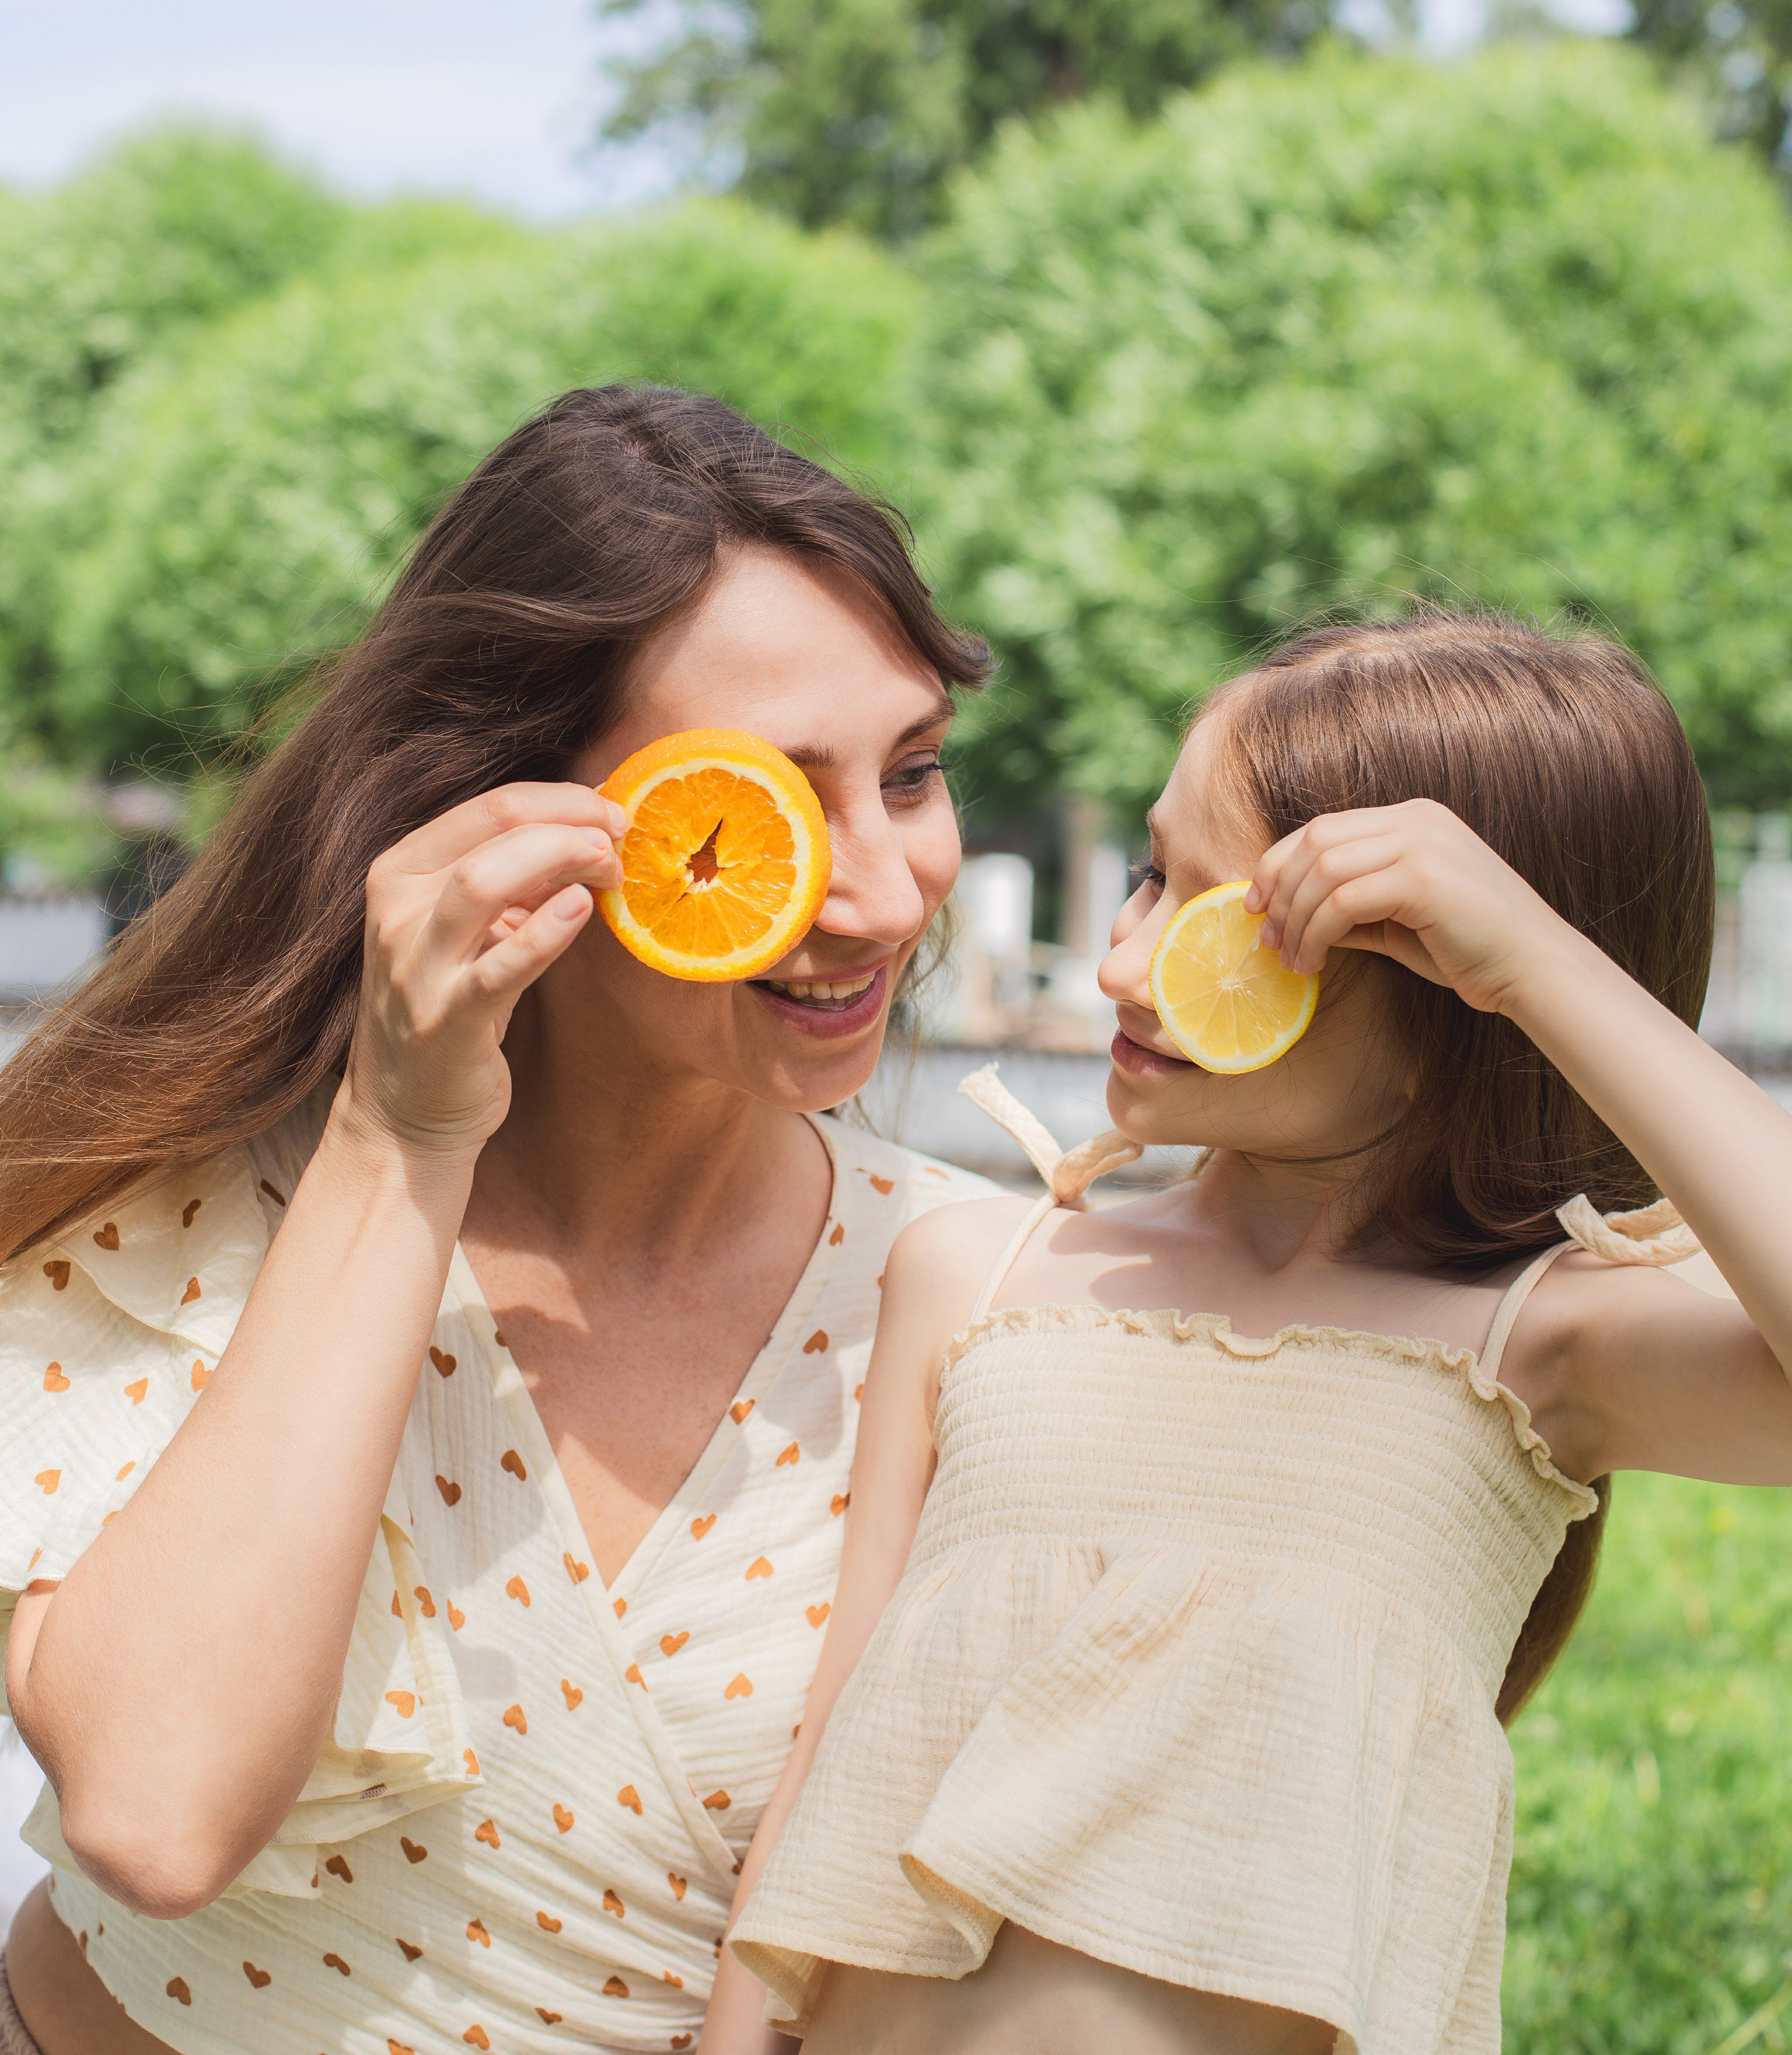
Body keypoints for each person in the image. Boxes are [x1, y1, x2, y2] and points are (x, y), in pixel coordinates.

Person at [0, 384, 1001, 2055]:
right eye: (755, 804)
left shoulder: (983, 1288)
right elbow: (156, 1814)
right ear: (499, 809)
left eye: (909, 775)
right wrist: (401, 1137)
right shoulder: (171, 1211)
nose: (885, 892)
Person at [706, 609, 1792, 2055]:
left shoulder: (1533, 1355)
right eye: (1152, 875)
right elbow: (829, 1772)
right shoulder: (982, 1270)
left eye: (1230, 926)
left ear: (1449, 989)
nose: (1121, 966)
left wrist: (1540, 966)